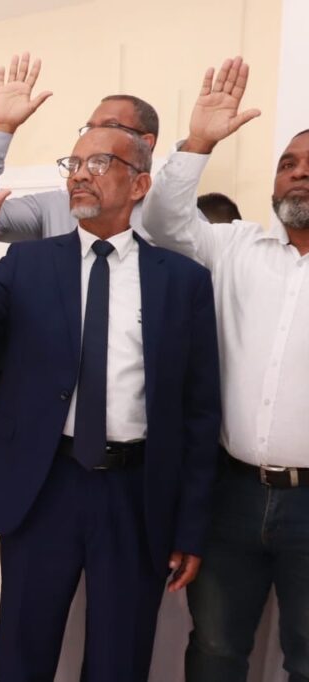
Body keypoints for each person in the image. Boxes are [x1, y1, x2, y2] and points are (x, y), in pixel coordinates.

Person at [0, 128, 221, 681]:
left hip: (136, 492)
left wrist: (191, 526)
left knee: (119, 659)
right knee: (21, 653)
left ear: (140, 184)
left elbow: (200, 413)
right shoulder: (26, 263)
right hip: (44, 485)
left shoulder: (182, 281)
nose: (80, 174)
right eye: (74, 162)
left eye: (100, 162)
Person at [141, 56, 309, 682]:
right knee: (214, 650)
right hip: (230, 493)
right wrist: (199, 143)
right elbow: (162, 222)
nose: (298, 174)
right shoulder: (236, 246)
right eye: (288, 164)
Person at [0, 53, 160, 242]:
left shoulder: (166, 220)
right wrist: (2, 127)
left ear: (145, 143)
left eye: (110, 126)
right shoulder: (54, 207)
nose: (93, 135)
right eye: (90, 128)